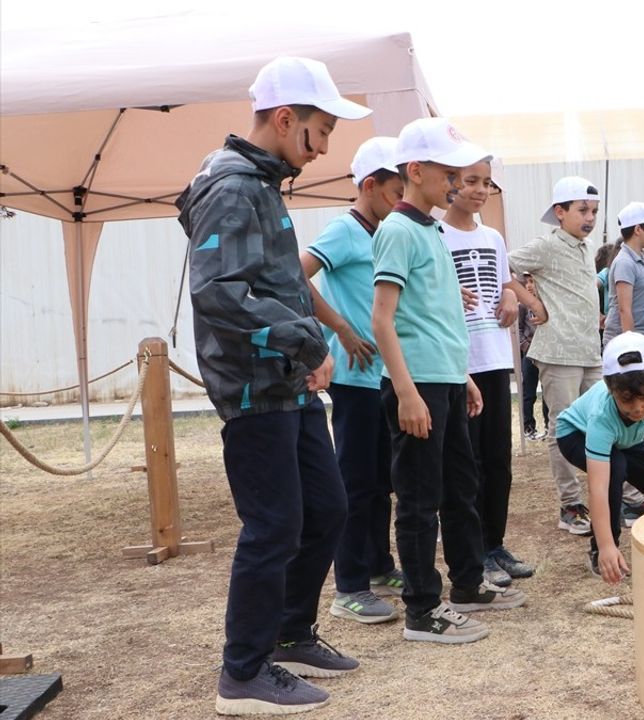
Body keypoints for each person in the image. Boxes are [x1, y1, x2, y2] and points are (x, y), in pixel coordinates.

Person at [177, 56, 366, 715]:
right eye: (318, 133)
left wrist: (307, 344)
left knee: (327, 508)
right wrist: (306, 338)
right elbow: (220, 294)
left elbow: (272, 285)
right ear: (286, 119)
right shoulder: (232, 186)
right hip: (253, 386)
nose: (322, 150)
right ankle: (244, 673)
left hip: (285, 381)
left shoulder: (261, 184)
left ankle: (290, 632)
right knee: (275, 524)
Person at [371, 118, 527, 647]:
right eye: (448, 172)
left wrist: (462, 377)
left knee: (461, 486)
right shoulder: (397, 230)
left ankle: (466, 584)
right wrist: (408, 392)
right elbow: (383, 319)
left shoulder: (431, 229)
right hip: (418, 384)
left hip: (447, 379)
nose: (457, 182)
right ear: (416, 171)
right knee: (418, 497)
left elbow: (436, 313)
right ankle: (421, 609)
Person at [299, 137, 404, 626]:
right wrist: (339, 326)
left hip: (386, 375)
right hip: (356, 377)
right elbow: (295, 276)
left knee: (383, 480)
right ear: (369, 185)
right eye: (394, 188)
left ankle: (379, 566)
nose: (401, 198)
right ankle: (350, 587)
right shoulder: (343, 230)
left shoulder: (385, 231)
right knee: (356, 482)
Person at [440, 158, 544, 587]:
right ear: (450, 184)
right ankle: (470, 551)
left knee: (498, 460)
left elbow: (505, 284)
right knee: (467, 464)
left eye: (486, 183)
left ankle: (494, 543)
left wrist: (511, 298)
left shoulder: (493, 237)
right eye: (471, 182)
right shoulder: (434, 235)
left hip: (497, 359)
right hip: (458, 363)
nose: (481, 190)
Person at [508, 176, 605, 535]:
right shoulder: (545, 246)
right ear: (560, 213)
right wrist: (532, 301)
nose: (590, 217)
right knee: (562, 428)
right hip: (558, 350)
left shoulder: (585, 246)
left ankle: (608, 494)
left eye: (594, 210)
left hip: (589, 350)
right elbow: (503, 265)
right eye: (582, 210)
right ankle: (570, 505)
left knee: (601, 422)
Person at [556, 332, 644, 583]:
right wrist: (608, 546)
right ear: (611, 390)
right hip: (575, 432)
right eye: (627, 400)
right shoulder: (602, 416)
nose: (639, 408)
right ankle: (600, 551)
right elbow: (597, 489)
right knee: (615, 467)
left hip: (624, 439)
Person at [603, 202, 644, 346]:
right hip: (622, 340)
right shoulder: (625, 262)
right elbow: (624, 309)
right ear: (638, 229)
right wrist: (631, 347)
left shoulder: (640, 260)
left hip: (639, 336)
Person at [519, 273, 550, 440]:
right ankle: (528, 427)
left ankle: (548, 425)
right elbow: (518, 331)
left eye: (533, 281)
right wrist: (526, 346)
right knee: (528, 392)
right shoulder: (523, 306)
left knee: (548, 392)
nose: (529, 285)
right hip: (530, 355)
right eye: (527, 282)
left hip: (546, 355)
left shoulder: (548, 304)